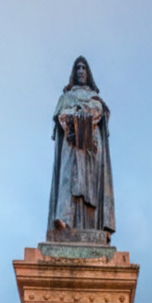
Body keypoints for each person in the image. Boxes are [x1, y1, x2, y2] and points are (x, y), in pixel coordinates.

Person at [47, 56, 116, 241]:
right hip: (71, 142)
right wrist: (76, 116)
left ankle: (93, 226)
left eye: (84, 68)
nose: (81, 71)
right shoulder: (66, 97)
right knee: (68, 179)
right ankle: (64, 220)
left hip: (91, 146)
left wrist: (82, 112)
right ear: (73, 73)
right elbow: (62, 115)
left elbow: (99, 111)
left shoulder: (95, 98)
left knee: (90, 184)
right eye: (77, 68)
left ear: (88, 73)